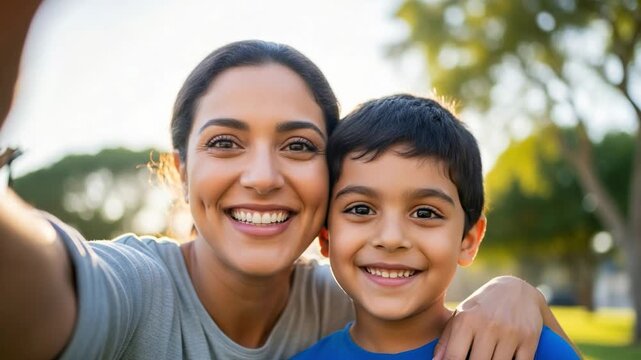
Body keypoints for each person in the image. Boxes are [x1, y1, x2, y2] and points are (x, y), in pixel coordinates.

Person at [1, 39, 567, 359]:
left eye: (298, 145)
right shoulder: (136, 289)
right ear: (181, 171)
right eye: (225, 142)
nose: (264, 176)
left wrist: (519, 296)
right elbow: (42, 282)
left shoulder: (348, 294)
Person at [293, 94, 579, 359]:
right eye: (361, 209)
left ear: (468, 240)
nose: (391, 238)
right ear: (326, 236)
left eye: (425, 213)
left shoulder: (523, 349)